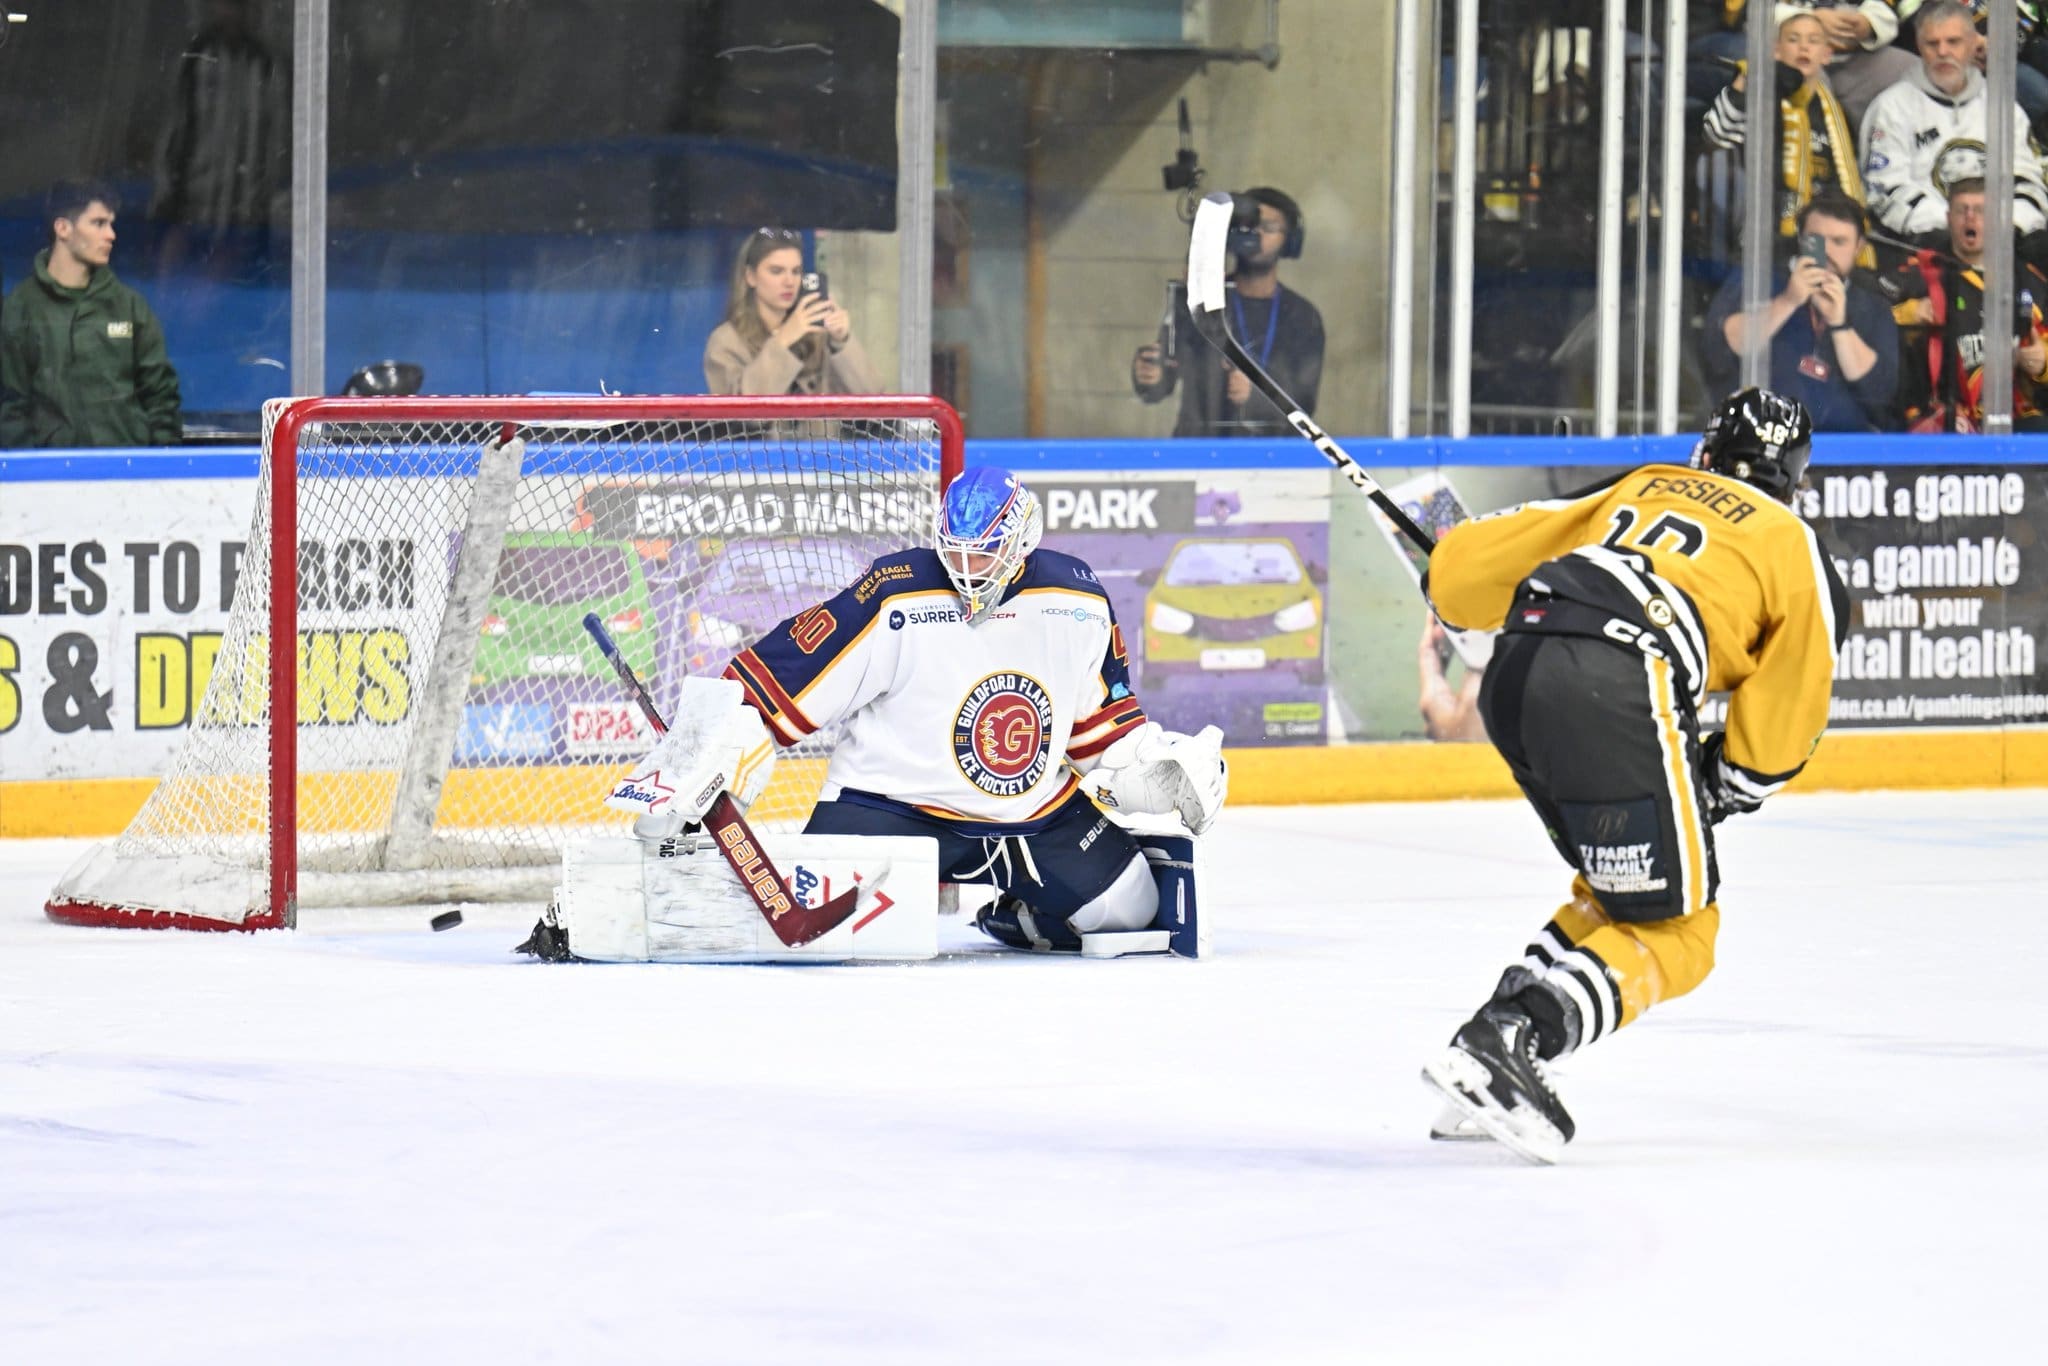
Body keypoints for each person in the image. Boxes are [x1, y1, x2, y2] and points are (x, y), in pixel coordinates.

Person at [1418, 388, 1849, 1162]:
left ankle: (1481, 1048)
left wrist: (1450, 571)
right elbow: (1791, 702)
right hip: (1618, 679)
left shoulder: (1642, 484)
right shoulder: (1792, 541)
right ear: (1794, 481)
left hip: (1518, 671)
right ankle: (1512, 1041)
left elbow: (1461, 574)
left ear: (1706, 455)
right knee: (1683, 930)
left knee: (1621, 896)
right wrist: (1730, 782)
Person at [624, 467, 1228, 954]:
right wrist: (705, 755)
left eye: (985, 555)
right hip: (893, 808)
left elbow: (1101, 726)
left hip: (1035, 819)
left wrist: (1157, 766)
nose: (967, 570)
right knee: (819, 939)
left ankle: (1022, 917)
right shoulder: (897, 591)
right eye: (957, 553)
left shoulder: (1078, 598)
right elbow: (780, 683)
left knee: (1131, 912)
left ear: (1020, 543)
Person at [1, 180, 183, 448]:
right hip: (49, 480)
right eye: (98, 223)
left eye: (111, 224)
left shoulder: (130, 307)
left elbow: (161, 397)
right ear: (63, 228)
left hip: (130, 474)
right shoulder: (21, 308)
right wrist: (36, 473)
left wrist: (158, 468)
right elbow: (10, 406)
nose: (111, 235)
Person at [1131, 187, 1325, 437]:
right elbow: (1164, 378)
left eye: (1269, 227)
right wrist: (1150, 375)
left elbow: (1304, 402)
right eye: (1248, 225)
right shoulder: (1203, 302)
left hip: (1271, 459)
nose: (1257, 233)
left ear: (1290, 240)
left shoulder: (1302, 316)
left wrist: (1257, 397)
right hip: (1200, 452)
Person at [1702, 191, 1901, 429]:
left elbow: (1881, 392)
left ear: (1859, 247)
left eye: (1839, 242)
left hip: (1845, 446)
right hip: (1762, 437)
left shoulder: (1872, 303)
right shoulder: (1760, 279)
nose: (1827, 252)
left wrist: (1839, 324)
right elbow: (1721, 348)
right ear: (1800, 238)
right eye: (1816, 240)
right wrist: (1788, 300)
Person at [1861, 2, 2048, 248]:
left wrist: (2012, 225)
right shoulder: (1890, 107)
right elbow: (1886, 189)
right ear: (1918, 46)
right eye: (1932, 43)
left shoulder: (2003, 106)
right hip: (1928, 246)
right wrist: (1959, 229)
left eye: (1953, 42)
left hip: (2006, 244)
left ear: (1973, 44)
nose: (1943, 52)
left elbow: (2029, 179)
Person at [1881, 175, 2048, 428]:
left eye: (1980, 210)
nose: (1970, 218)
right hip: (1945, 418)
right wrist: (1911, 312)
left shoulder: (2027, 280)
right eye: (1962, 210)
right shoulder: (1923, 272)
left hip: (2017, 420)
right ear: (1949, 219)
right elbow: (1868, 313)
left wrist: (2043, 363)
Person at [1701, 10, 1867, 239]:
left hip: (1820, 237)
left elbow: (1848, 184)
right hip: (1760, 240)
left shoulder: (1838, 116)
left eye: (1813, 40)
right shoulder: (1756, 96)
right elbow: (1716, 135)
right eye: (1793, 39)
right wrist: (1747, 81)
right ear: (1776, 50)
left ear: (1827, 54)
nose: (1804, 47)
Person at [703, 227, 880, 396]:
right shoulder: (726, 341)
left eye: (796, 272)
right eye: (776, 271)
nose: (789, 281)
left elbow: (874, 400)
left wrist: (841, 343)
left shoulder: (818, 335)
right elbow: (740, 414)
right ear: (751, 276)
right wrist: (783, 340)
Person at [1689, 3, 1916, 130]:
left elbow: (1889, 7)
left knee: (1908, 69)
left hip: (1854, 50)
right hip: (1781, 42)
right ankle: (1808, 180)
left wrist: (1868, 24)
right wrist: (1809, 22)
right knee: (1807, 77)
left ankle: (1879, 183)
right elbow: (1739, 10)